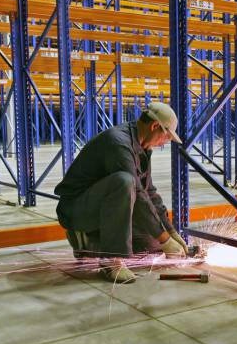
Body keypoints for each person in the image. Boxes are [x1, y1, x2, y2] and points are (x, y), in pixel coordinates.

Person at [54, 102, 188, 284]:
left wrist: (170, 233)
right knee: (124, 182)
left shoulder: (142, 147)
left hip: (100, 207)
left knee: (152, 245)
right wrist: (165, 240)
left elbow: (149, 192)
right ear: (155, 126)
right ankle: (111, 261)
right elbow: (138, 195)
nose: (165, 142)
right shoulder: (118, 143)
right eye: (166, 136)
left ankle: (90, 243)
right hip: (76, 209)